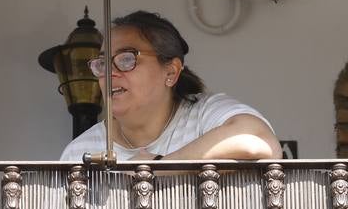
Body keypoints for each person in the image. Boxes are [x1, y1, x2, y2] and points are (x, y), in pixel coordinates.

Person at [59, 10, 279, 162]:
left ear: (171, 72)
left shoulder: (204, 116)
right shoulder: (80, 151)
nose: (110, 72)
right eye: (102, 63)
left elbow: (260, 141)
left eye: (127, 59)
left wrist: (160, 165)